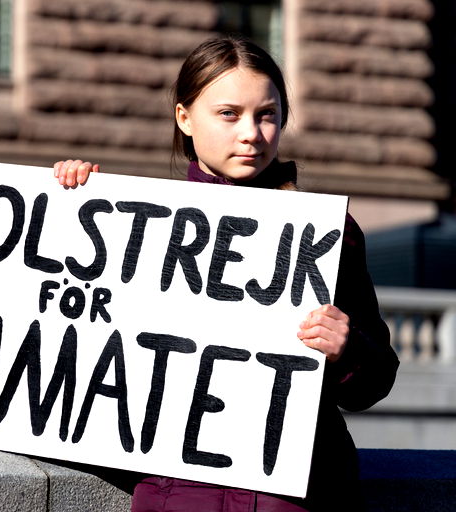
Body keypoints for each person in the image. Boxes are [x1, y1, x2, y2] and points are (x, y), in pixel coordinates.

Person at [53, 34, 399, 512]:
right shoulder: (138, 226)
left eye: (267, 115)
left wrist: (349, 350)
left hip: (301, 496)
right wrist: (67, 199)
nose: (251, 134)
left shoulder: (329, 233)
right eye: (229, 114)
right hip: (178, 494)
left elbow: (375, 382)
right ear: (184, 118)